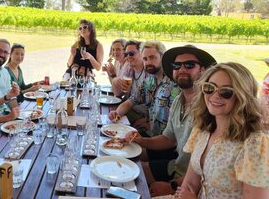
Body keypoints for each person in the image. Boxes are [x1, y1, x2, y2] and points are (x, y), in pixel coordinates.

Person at [125, 45, 216, 197]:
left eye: (189, 65)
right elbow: (168, 139)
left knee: (135, 176)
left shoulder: (209, 109)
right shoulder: (178, 101)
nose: (182, 69)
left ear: (202, 70)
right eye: (176, 65)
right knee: (130, 168)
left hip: (190, 183)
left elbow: (207, 168)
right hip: (177, 166)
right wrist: (140, 140)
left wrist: (171, 186)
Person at [176, 62, 269, 199]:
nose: (215, 95)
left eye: (226, 92)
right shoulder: (202, 130)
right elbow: (189, 184)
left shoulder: (253, 144)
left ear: (243, 96)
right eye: (209, 87)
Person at [109, 41, 180, 137]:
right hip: (150, 136)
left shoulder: (174, 85)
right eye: (145, 59)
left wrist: (148, 126)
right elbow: (130, 101)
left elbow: (174, 128)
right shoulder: (150, 81)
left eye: (152, 57)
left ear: (162, 57)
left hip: (163, 142)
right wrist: (117, 113)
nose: (148, 62)